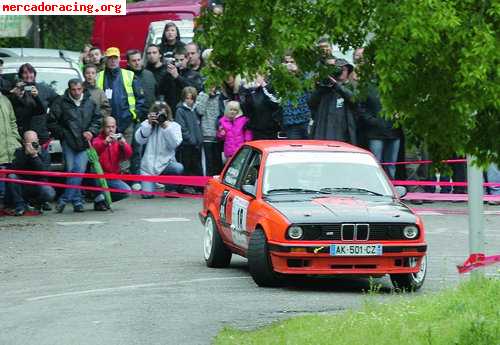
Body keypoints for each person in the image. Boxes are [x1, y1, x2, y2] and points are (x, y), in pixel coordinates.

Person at [48, 79, 102, 213]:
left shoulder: (90, 102)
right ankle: (77, 201)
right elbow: (51, 122)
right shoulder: (60, 102)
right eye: (73, 90)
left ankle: (64, 200)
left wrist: (91, 131)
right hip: (69, 141)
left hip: (84, 143)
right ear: (69, 89)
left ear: (82, 88)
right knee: (72, 170)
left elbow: (97, 119)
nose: (77, 92)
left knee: (78, 171)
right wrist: (64, 134)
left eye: (79, 89)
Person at [96, 47, 145, 166]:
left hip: (126, 122)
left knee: (124, 154)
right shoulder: (99, 76)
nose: (113, 61)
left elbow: (140, 98)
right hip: (105, 124)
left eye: (115, 58)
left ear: (119, 59)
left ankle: (124, 180)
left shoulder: (129, 75)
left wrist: (133, 115)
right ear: (106, 60)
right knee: (106, 154)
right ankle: (108, 181)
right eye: (110, 58)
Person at [135, 101, 183, 199]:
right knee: (147, 195)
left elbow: (175, 143)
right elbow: (139, 140)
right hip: (148, 168)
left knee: (178, 167)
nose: (160, 117)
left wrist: (166, 127)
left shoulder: (174, 126)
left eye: (163, 114)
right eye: (158, 114)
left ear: (167, 114)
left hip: (166, 164)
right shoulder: (147, 124)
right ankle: (149, 185)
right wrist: (148, 125)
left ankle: (170, 189)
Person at [6, 130, 55, 216]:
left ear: (38, 141)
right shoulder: (19, 152)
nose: (33, 145)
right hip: (23, 184)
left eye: (35, 142)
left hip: (38, 183)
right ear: (24, 142)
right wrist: (25, 155)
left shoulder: (44, 152)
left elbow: (45, 173)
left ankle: (38, 204)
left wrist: (34, 157)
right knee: (11, 176)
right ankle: (20, 206)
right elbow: (13, 169)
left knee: (50, 193)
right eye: (30, 143)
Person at [8, 63, 58, 147]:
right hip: (20, 135)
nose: (28, 75)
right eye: (25, 73)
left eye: (31, 72)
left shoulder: (44, 89)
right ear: (20, 75)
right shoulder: (14, 90)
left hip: (41, 134)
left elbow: (57, 104)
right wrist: (15, 96)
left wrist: (51, 122)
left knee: (43, 159)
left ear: (34, 74)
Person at [310, 58, 358, 144]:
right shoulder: (326, 88)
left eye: (343, 69)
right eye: (338, 69)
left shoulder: (351, 87)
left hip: (343, 134)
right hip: (323, 132)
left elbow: (354, 100)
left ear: (348, 71)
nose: (341, 72)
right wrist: (320, 86)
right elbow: (311, 103)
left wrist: (337, 85)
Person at [91, 116, 132, 210]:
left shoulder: (117, 140)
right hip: (99, 176)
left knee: (127, 191)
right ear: (103, 128)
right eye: (108, 127)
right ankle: (99, 198)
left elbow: (128, 155)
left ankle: (102, 200)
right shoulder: (97, 140)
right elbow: (95, 150)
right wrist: (105, 143)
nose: (111, 130)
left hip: (113, 176)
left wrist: (124, 144)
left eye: (113, 127)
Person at [175, 86, 203, 193]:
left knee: (197, 166)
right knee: (185, 166)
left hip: (196, 144)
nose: (189, 101)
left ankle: (199, 186)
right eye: (187, 98)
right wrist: (191, 140)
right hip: (187, 144)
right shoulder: (180, 110)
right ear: (183, 98)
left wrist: (198, 140)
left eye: (191, 98)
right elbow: (182, 128)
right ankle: (182, 187)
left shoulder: (195, 110)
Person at [280, 54, 312, 139]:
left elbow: (310, 86)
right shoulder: (281, 79)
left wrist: (297, 71)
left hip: (306, 120)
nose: (289, 65)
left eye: (292, 62)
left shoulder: (304, 76)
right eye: (286, 62)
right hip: (291, 123)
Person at [240, 74, 281, 140]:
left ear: (263, 76)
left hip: (272, 129)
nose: (255, 79)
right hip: (256, 130)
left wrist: (265, 86)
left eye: (257, 76)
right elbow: (246, 111)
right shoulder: (250, 91)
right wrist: (245, 91)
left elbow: (276, 103)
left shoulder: (270, 87)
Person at [195, 86, 224, 176]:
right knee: (208, 164)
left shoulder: (221, 95)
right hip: (207, 135)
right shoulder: (202, 95)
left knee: (218, 163)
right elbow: (200, 111)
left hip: (220, 135)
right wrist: (206, 94)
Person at [0, 92, 21, 208]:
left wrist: (15, 138)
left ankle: (11, 204)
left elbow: (12, 121)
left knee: (11, 176)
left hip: (10, 147)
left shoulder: (5, 100)